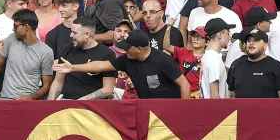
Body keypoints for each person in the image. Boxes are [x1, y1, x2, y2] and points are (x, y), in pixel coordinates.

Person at [53, 29, 191, 99]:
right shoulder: (127, 59)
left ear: (139, 49)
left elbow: (184, 84)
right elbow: (100, 66)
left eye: (127, 47)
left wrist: (182, 112)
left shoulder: (163, 60)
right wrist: (72, 68)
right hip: (147, 108)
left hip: (169, 106)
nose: (124, 50)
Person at [0, 9, 54, 100]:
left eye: (15, 26)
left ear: (26, 27)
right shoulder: (11, 39)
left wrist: (28, 98)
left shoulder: (46, 52)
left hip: (28, 104)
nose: (13, 29)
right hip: (5, 99)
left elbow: (47, 86)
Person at [47, 16, 117, 100]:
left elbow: (108, 89)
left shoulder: (107, 54)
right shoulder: (66, 50)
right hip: (67, 101)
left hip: (94, 105)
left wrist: (81, 101)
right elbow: (58, 81)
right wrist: (50, 103)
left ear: (87, 34)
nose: (71, 35)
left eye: (74, 33)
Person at [227, 29, 280, 98]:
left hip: (268, 108)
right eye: (249, 41)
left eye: (256, 40)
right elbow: (232, 95)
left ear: (265, 45)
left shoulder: (276, 67)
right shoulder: (236, 65)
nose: (251, 43)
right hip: (242, 108)